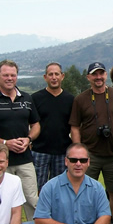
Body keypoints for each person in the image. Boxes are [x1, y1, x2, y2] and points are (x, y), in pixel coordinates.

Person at [69, 62, 113, 224]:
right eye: (94, 74)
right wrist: (79, 152)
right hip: (90, 155)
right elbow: (75, 127)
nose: (98, 77)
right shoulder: (81, 99)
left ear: (105, 76)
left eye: (101, 73)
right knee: (85, 191)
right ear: (88, 77)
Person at [0, 60, 41, 221]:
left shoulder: (26, 98)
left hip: (25, 160)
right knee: (2, 205)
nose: (9, 78)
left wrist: (28, 139)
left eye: (13, 75)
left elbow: (36, 125)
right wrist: (5, 143)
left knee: (33, 201)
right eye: (5, 75)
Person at [31, 62, 74, 192]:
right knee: (38, 188)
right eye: (50, 74)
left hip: (62, 151)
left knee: (60, 189)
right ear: (45, 77)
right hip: (40, 150)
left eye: (57, 74)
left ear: (62, 76)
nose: (54, 77)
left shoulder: (70, 99)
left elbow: (74, 126)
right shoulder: (36, 98)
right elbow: (31, 124)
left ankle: (58, 213)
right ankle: (40, 212)